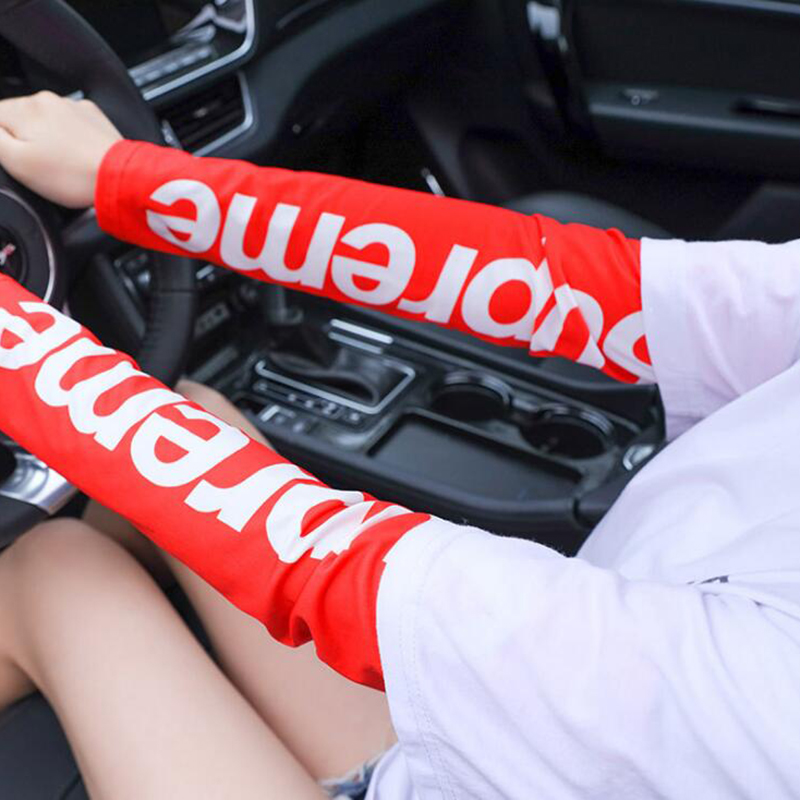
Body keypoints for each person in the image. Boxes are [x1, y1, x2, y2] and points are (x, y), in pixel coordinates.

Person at [0, 91, 799, 799]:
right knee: (191, 408)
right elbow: (583, 289)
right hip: (519, 741)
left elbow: (343, 571)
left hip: (564, 715)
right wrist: (130, 179)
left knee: (58, 570)